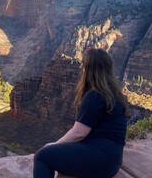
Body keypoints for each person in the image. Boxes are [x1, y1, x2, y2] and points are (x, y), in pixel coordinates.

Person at [33, 48, 129, 178]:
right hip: (112, 160)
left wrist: (54, 145)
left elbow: (79, 133)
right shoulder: (115, 95)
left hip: (98, 158)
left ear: (88, 69)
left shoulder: (95, 95)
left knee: (42, 156)